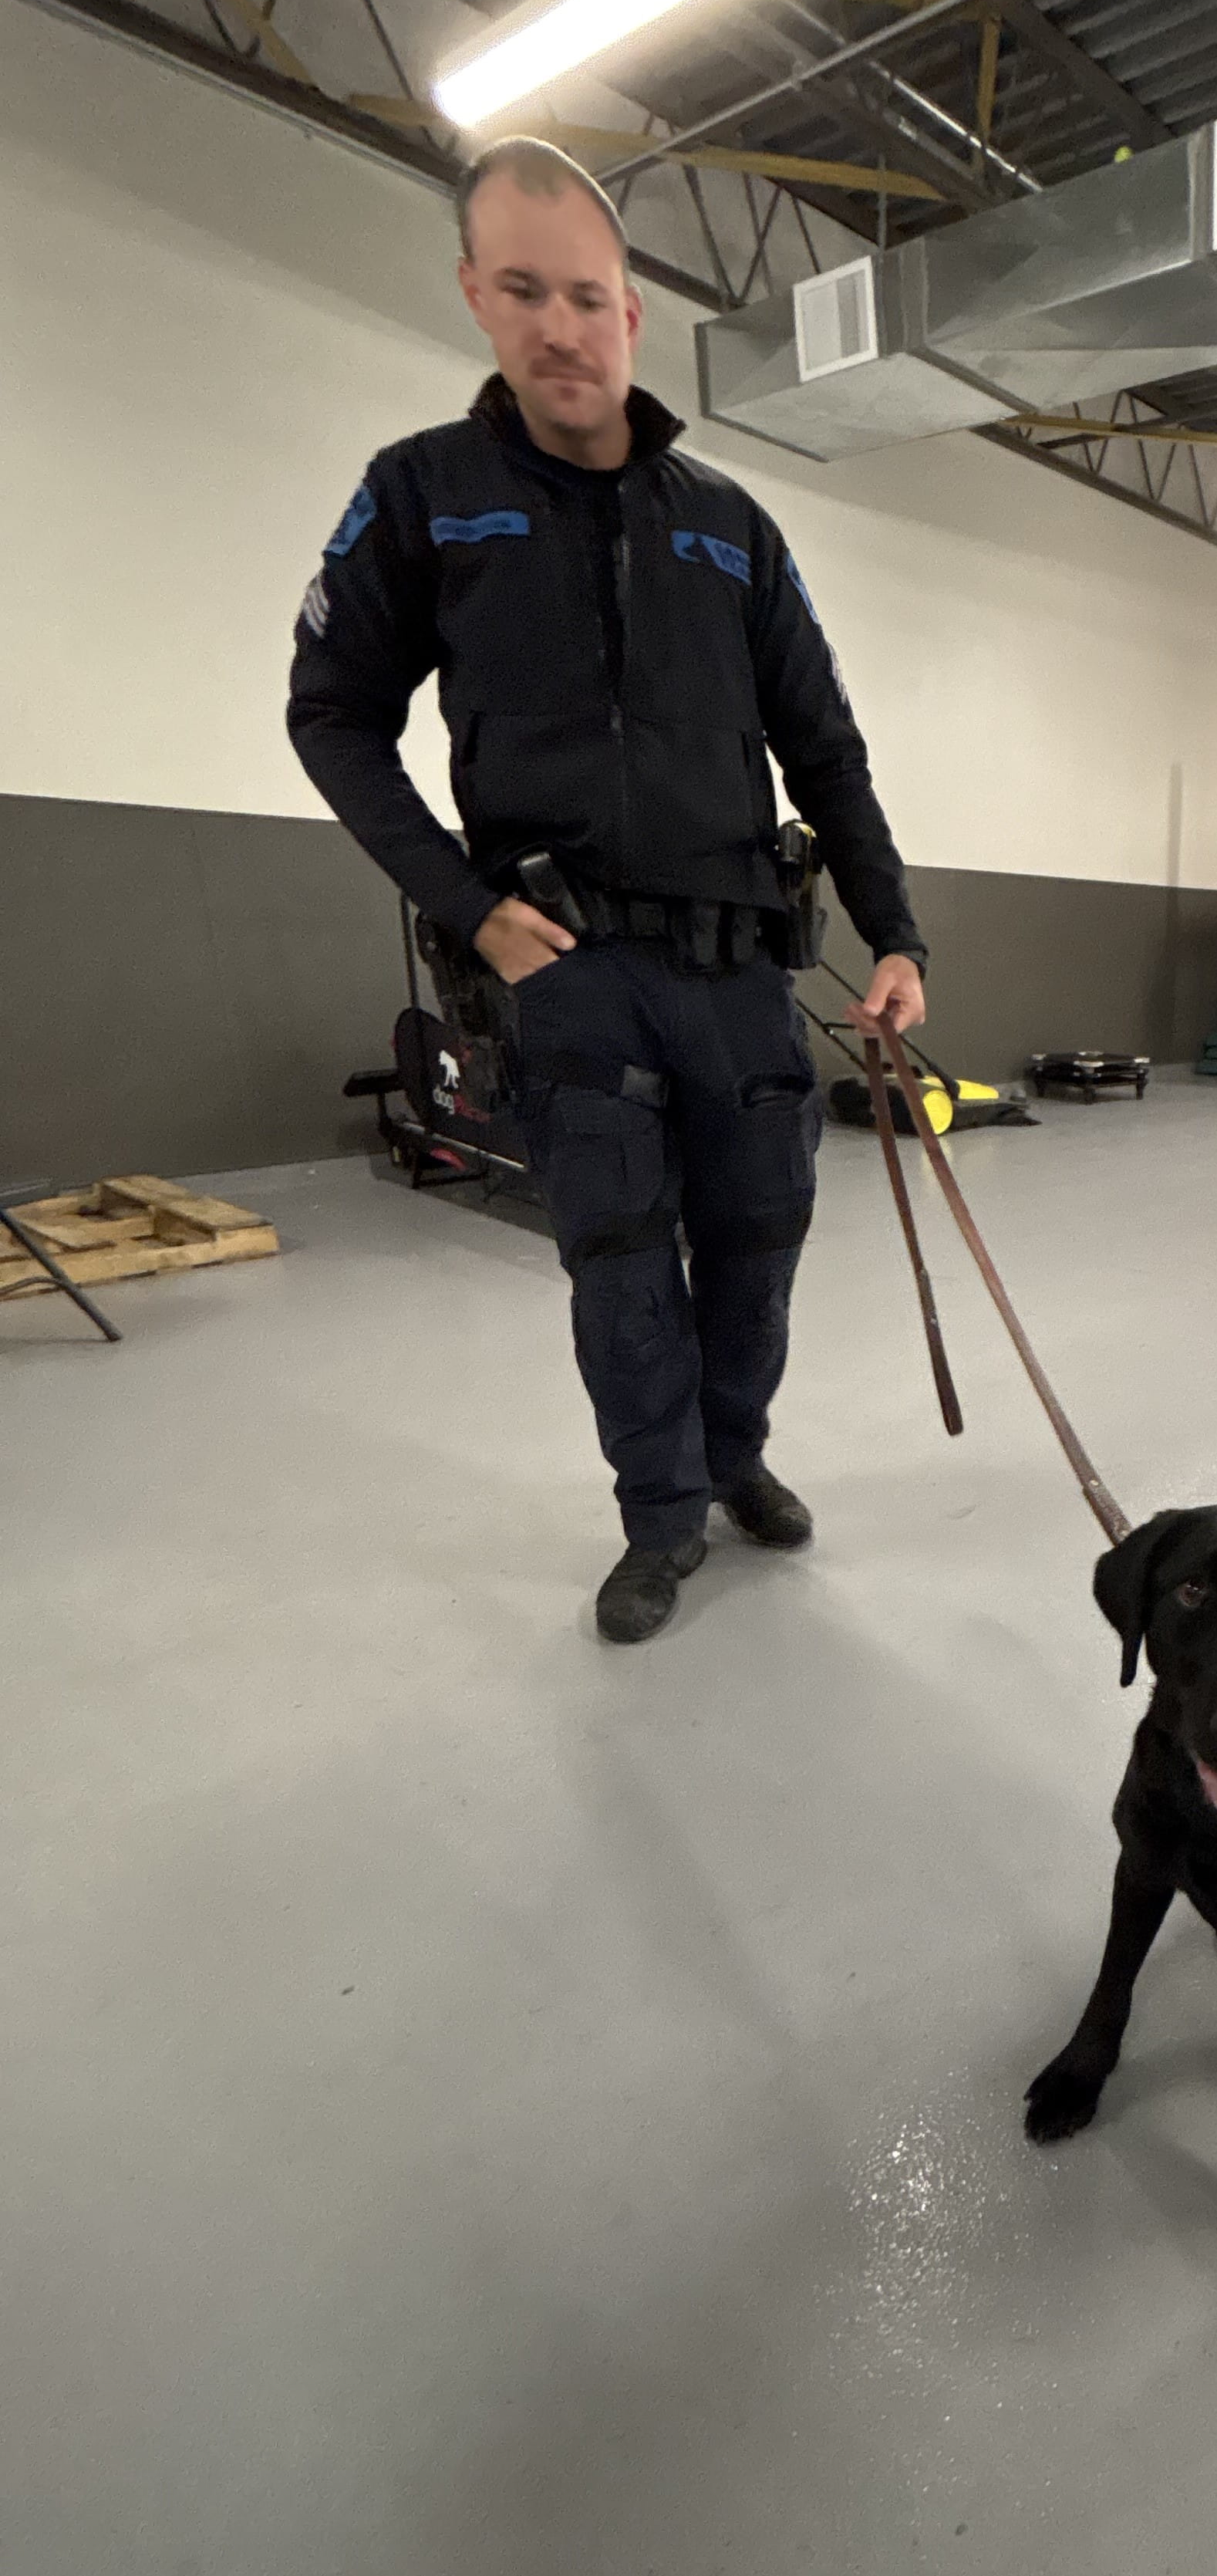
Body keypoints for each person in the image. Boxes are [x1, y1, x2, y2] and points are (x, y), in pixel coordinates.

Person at [288, 137, 927, 1643]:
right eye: (525, 292)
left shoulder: (731, 526)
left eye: (587, 296)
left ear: (632, 313)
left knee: (760, 1243)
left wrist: (895, 929)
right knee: (626, 1265)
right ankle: (660, 1517)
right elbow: (332, 715)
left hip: (741, 968)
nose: (561, 327)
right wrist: (464, 905)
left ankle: (734, 1460)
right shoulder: (424, 495)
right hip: (572, 973)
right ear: (476, 297)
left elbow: (825, 747)